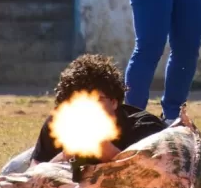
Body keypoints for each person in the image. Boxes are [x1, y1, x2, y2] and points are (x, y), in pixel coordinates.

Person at [30, 54, 168, 165]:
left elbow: (148, 175)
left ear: (113, 102)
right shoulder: (59, 124)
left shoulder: (144, 127)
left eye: (97, 100)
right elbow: (33, 173)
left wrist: (103, 148)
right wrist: (66, 155)